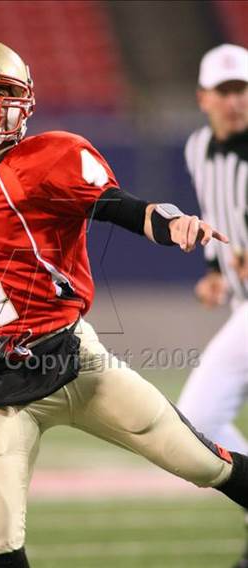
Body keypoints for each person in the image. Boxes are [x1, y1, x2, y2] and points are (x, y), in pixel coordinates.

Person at [0, 40, 248, 568]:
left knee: (205, 465)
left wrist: (172, 222)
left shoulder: (50, 157)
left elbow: (122, 208)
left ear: (26, 102)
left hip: (78, 363)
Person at [177, 43, 248, 568]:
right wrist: (211, 271)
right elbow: (213, 212)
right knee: (196, 420)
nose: (234, 101)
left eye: (242, 89)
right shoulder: (198, 147)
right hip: (242, 308)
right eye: (224, 91)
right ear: (203, 98)